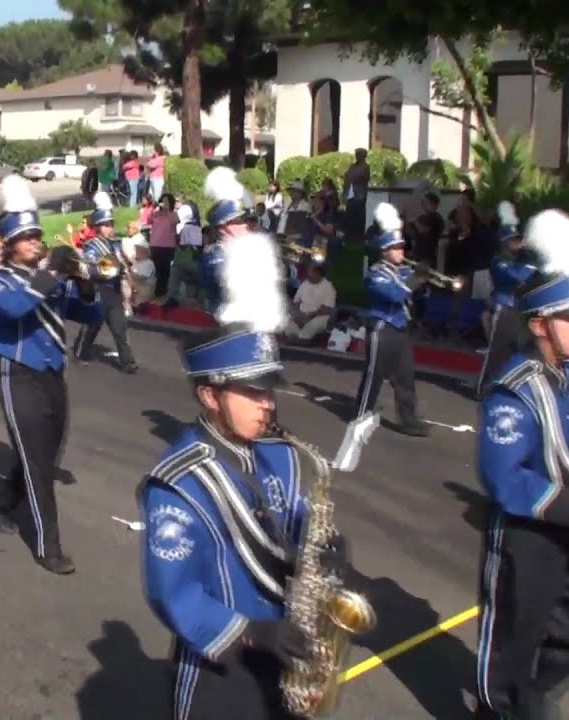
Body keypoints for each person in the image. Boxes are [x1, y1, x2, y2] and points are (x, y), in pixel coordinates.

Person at [139, 229, 359, 719]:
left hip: (288, 650)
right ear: (210, 395)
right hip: (221, 666)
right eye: (252, 393)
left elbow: (297, 523)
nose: (268, 405)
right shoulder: (178, 484)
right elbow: (172, 593)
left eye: (270, 391)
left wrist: (322, 552)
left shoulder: (281, 454)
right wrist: (252, 632)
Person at [475, 209, 569, 720]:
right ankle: (499, 707)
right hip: (526, 532)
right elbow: (503, 477)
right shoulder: (514, 390)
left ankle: (530, 694)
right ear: (539, 325)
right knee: (514, 638)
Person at [0, 175, 103, 575]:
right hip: (18, 373)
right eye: (26, 237)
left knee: (45, 456)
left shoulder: (48, 280)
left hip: (52, 373)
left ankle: (3, 499)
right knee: (37, 464)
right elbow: (13, 309)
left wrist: (86, 286)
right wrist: (51, 276)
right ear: (9, 244)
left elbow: (89, 315)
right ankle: (49, 547)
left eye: (37, 235)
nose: (35, 241)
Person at [353, 203, 429, 436]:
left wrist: (424, 277)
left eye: (401, 247)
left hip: (400, 328)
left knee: (406, 376)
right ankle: (360, 413)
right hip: (382, 328)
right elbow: (396, 294)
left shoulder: (401, 271)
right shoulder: (376, 274)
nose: (401, 252)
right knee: (374, 374)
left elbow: (415, 290)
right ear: (385, 250)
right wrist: (416, 280)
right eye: (396, 248)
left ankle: (409, 420)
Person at [73, 191, 138, 373]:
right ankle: (80, 352)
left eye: (111, 224)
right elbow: (89, 269)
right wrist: (105, 269)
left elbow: (123, 265)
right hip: (99, 291)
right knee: (91, 326)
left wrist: (126, 276)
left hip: (114, 291)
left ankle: (128, 362)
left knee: (120, 328)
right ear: (98, 227)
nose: (110, 228)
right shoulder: (92, 246)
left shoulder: (115, 244)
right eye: (106, 225)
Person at [476, 202, 534, 397]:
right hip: (502, 307)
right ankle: (485, 388)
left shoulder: (521, 260)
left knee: (517, 351)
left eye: (518, 239)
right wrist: (530, 267)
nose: (518, 243)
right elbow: (516, 277)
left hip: (517, 308)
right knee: (497, 352)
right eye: (513, 240)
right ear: (504, 242)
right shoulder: (498, 261)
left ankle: (510, 385)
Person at [199, 168, 254, 316]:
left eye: (245, 220)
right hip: (224, 316)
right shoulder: (215, 254)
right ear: (222, 228)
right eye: (238, 221)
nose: (245, 225)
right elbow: (219, 285)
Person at [284, 263, 336, 343]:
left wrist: (309, 315)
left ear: (317, 273)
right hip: (301, 316)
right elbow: (296, 302)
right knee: (286, 320)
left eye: (309, 272)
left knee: (313, 325)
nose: (307, 274)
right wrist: (296, 314)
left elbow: (327, 310)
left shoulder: (328, 288)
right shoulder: (304, 284)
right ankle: (296, 337)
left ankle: (303, 338)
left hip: (318, 317)